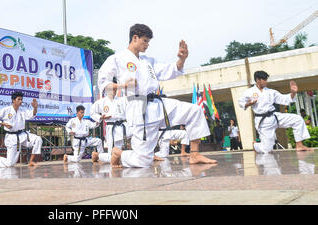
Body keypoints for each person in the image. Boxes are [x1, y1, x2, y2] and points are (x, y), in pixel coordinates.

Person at [97, 23, 216, 168]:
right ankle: (120, 154)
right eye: (145, 41)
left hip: (159, 104)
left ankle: (195, 154)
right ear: (135, 37)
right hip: (139, 107)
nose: (147, 44)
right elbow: (103, 83)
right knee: (143, 161)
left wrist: (182, 59)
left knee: (194, 111)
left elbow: (169, 71)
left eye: (148, 41)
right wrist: (122, 86)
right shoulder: (117, 58)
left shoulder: (148, 61)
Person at [238, 70, 313, 153]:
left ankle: (299, 145)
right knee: (267, 149)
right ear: (258, 80)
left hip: (275, 116)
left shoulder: (271, 92)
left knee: (297, 119)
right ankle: (256, 145)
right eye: (264, 80)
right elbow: (241, 102)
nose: (266, 82)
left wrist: (293, 93)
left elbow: (284, 99)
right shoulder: (249, 92)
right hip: (263, 121)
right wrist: (248, 104)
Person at [0, 91, 43, 167]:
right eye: (18, 99)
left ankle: (31, 161)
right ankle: (0, 159)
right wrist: (4, 124)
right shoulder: (6, 110)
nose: (20, 101)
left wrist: (35, 108)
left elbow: (32, 114)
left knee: (38, 139)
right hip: (11, 137)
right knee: (10, 164)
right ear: (13, 100)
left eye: (21, 99)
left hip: (22, 135)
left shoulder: (22, 110)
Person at [90, 79, 130, 164]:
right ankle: (98, 156)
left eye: (116, 89)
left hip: (122, 126)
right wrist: (100, 117)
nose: (114, 91)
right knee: (113, 154)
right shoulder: (102, 102)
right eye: (112, 89)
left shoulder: (122, 100)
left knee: (119, 149)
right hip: (111, 127)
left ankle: (99, 155)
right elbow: (92, 112)